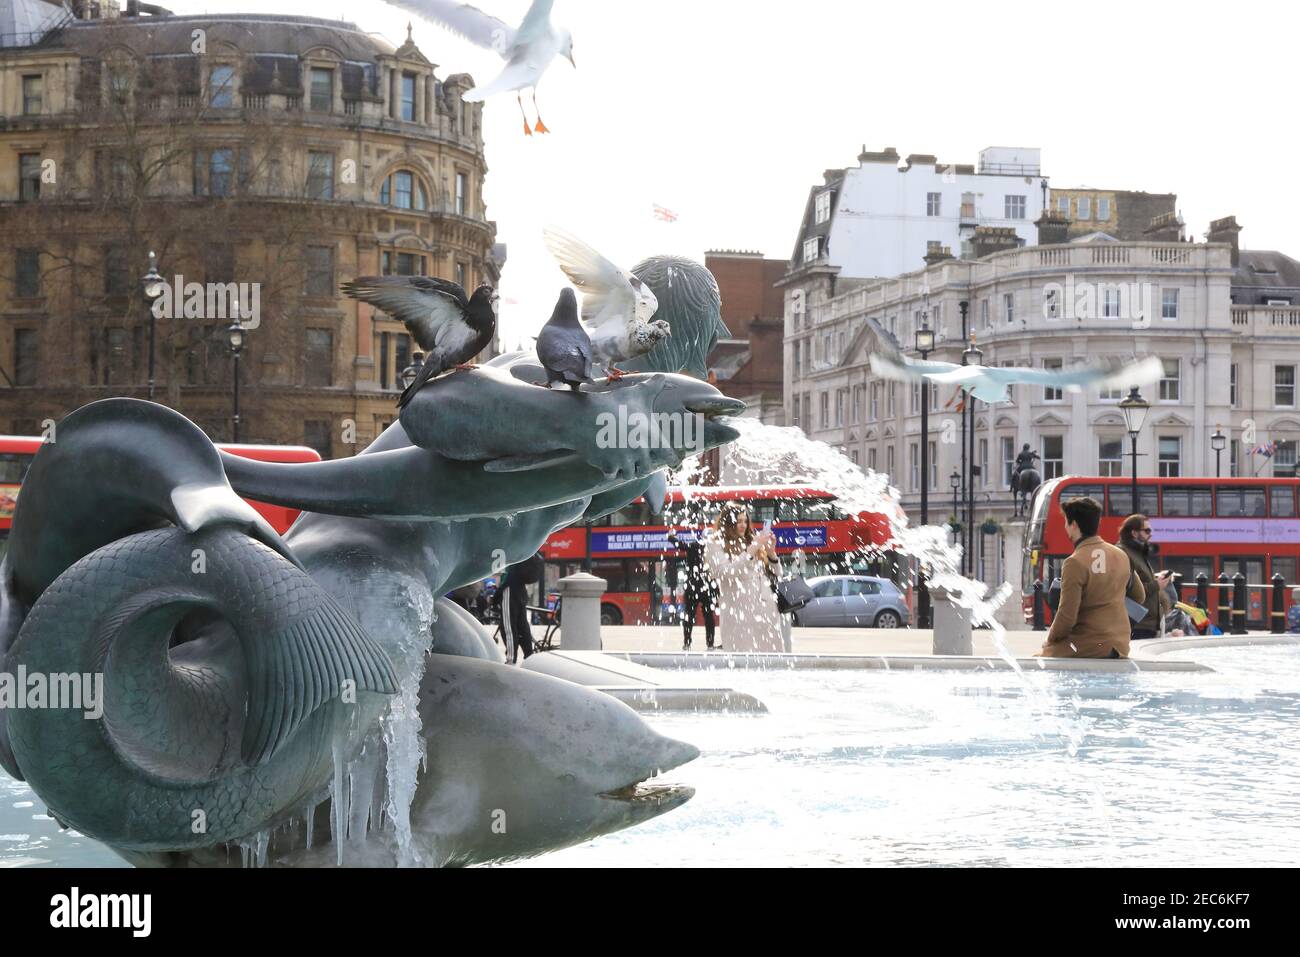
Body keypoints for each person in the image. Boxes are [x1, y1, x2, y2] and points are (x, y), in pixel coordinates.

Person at [1039, 496, 1146, 660]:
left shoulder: (1074, 562)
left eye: (1066, 522)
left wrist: (1050, 639)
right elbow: (1140, 596)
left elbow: (1067, 616)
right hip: (1120, 644)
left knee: (1040, 659)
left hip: (1088, 644)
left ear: (1074, 525)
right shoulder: (1122, 555)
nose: (1065, 527)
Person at [703, 505, 783, 653]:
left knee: (772, 663)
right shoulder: (714, 544)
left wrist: (771, 552)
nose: (743, 525)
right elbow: (726, 572)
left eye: (745, 521)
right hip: (738, 613)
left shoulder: (751, 541)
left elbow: (777, 574)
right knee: (741, 659)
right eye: (738, 521)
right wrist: (752, 549)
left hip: (765, 611)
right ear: (727, 522)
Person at [1117, 514, 1172, 640]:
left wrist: (1157, 581)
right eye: (1147, 531)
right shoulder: (1123, 553)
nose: (1150, 534)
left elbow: (1141, 581)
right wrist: (1157, 585)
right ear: (1134, 533)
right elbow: (1126, 590)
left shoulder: (1138, 554)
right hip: (1136, 623)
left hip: (1147, 623)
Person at [667, 524, 719, 651]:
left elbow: (680, 545)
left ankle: (687, 643)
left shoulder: (694, 546)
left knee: (689, 615)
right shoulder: (715, 550)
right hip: (708, 587)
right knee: (709, 616)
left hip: (692, 587)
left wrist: (671, 537)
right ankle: (710, 644)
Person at [494, 551, 545, 663]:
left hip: (509, 590)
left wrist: (497, 593)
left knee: (509, 627)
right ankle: (529, 657)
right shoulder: (521, 548)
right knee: (522, 625)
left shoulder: (505, 548)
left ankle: (511, 659)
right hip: (521, 590)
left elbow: (503, 576)